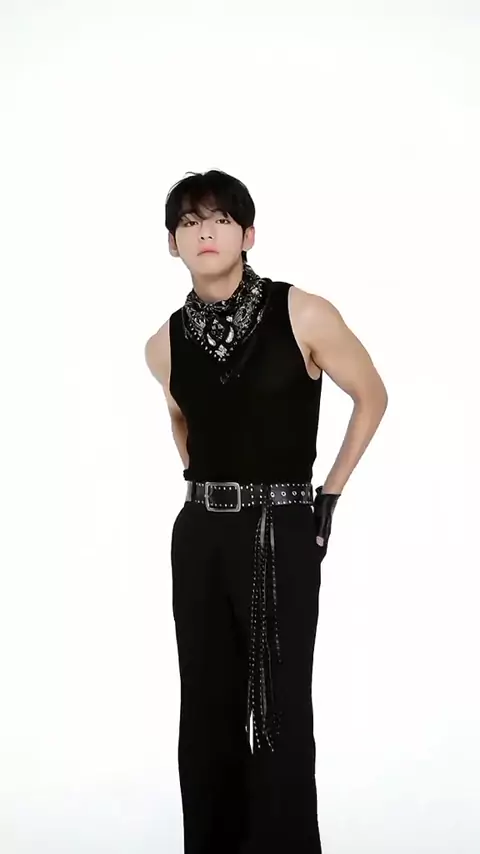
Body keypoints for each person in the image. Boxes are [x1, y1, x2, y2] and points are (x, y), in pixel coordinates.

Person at [145, 169, 388, 854]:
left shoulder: (301, 312)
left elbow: (371, 395)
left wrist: (329, 493)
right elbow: (184, 423)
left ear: (248, 235)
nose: (206, 232)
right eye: (190, 222)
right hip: (200, 533)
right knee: (206, 710)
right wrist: (211, 492)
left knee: (277, 711)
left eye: (221, 219)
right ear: (172, 244)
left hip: (279, 529)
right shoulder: (162, 344)